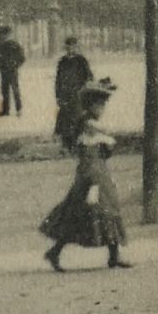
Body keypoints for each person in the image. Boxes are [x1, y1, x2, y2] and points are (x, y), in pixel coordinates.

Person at [41, 78, 130, 271]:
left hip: (96, 173)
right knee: (97, 211)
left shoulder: (88, 125)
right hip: (93, 175)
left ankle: (111, 256)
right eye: (100, 105)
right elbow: (94, 154)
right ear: (92, 106)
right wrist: (93, 182)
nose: (103, 109)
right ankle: (58, 252)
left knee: (90, 212)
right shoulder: (89, 126)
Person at [53, 36, 93, 148]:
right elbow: (58, 79)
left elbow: (89, 77)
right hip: (65, 94)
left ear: (76, 47)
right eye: (68, 46)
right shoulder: (62, 62)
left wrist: (84, 91)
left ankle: (77, 143)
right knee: (64, 119)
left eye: (73, 46)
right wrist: (58, 95)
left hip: (77, 94)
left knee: (77, 118)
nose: (71, 48)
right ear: (65, 48)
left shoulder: (81, 60)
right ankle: (65, 144)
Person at [0, 25, 25, 117]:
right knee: (4, 90)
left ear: (8, 34)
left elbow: (22, 58)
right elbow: (0, 58)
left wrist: (14, 65)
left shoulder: (14, 44)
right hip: (4, 71)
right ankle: (5, 110)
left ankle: (18, 109)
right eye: (2, 35)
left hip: (12, 71)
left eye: (4, 34)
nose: (3, 36)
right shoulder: (1, 45)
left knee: (15, 90)